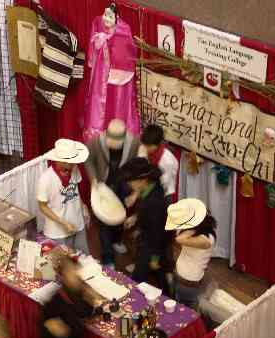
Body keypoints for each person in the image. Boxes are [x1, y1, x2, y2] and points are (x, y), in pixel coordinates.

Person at [85, 118, 140, 267]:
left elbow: (137, 164)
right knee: (104, 221)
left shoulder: (134, 143)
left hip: (123, 184)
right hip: (104, 184)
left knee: (121, 215)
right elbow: (88, 160)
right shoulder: (96, 142)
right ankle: (107, 257)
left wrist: (134, 189)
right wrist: (93, 178)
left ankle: (117, 239)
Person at [121, 158, 169, 290]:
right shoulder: (150, 187)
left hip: (152, 245)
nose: (129, 184)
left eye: (131, 181)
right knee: (160, 276)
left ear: (142, 180)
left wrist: (155, 258)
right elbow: (146, 212)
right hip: (148, 238)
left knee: (138, 278)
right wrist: (136, 218)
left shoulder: (155, 201)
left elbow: (158, 233)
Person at [37, 139, 90, 254]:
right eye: (69, 162)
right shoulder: (46, 179)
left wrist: (83, 207)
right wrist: (63, 222)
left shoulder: (74, 169)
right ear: (59, 160)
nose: (72, 165)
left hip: (78, 224)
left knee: (84, 258)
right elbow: (42, 206)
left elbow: (76, 192)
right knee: (63, 265)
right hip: (57, 231)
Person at [165, 199, 216, 310]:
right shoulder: (195, 232)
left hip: (188, 285)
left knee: (183, 313)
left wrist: (192, 225)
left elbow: (179, 239)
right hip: (180, 278)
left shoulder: (205, 240)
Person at [137, 124, 179, 206]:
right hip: (147, 190)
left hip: (163, 195)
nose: (145, 148)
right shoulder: (146, 150)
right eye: (145, 145)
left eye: (148, 146)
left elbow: (164, 184)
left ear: (156, 144)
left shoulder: (167, 160)